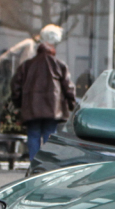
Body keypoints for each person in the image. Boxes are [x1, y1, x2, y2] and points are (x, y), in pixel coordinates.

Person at [11, 24, 75, 161]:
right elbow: (68, 87)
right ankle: (46, 166)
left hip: (31, 108)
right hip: (52, 109)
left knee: (33, 135)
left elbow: (15, 86)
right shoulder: (59, 65)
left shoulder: (27, 65)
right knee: (49, 135)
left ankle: (34, 166)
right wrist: (71, 104)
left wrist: (19, 103)